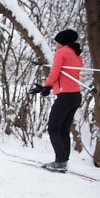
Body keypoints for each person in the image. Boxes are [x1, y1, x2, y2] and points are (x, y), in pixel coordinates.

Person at [28, 29, 82, 172]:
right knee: (63, 129)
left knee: (53, 128)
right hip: (75, 95)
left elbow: (55, 71)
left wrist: (46, 86)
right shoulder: (76, 54)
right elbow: (66, 75)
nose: (56, 44)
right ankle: (63, 161)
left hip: (65, 96)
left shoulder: (62, 52)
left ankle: (60, 162)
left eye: (57, 42)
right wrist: (48, 88)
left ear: (62, 42)